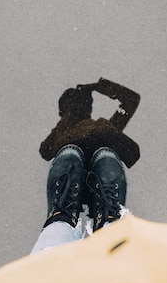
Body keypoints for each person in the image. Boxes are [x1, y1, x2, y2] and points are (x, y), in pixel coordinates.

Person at [32, 79, 140, 254]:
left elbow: (131, 100)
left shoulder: (102, 125)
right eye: (73, 103)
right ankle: (107, 225)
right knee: (103, 154)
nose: (80, 106)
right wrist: (68, 120)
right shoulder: (66, 131)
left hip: (77, 161)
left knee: (71, 153)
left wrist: (100, 86)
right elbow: (45, 150)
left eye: (83, 102)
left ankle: (65, 223)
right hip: (97, 160)